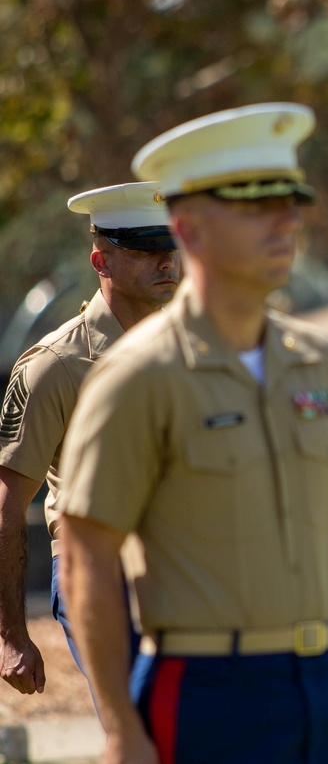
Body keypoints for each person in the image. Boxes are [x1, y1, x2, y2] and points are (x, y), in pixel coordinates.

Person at [56, 103, 328, 764]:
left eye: (290, 202)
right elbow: (88, 561)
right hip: (206, 691)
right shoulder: (136, 377)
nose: (286, 221)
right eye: (255, 207)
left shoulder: (319, 360)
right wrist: (119, 729)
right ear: (189, 229)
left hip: (322, 687)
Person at [0, 183, 179, 696]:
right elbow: (8, 508)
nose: (166, 261)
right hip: (98, 572)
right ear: (101, 260)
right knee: (142, 722)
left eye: (172, 247)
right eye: (146, 248)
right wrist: (11, 634)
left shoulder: (194, 350)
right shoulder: (54, 366)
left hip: (190, 565)